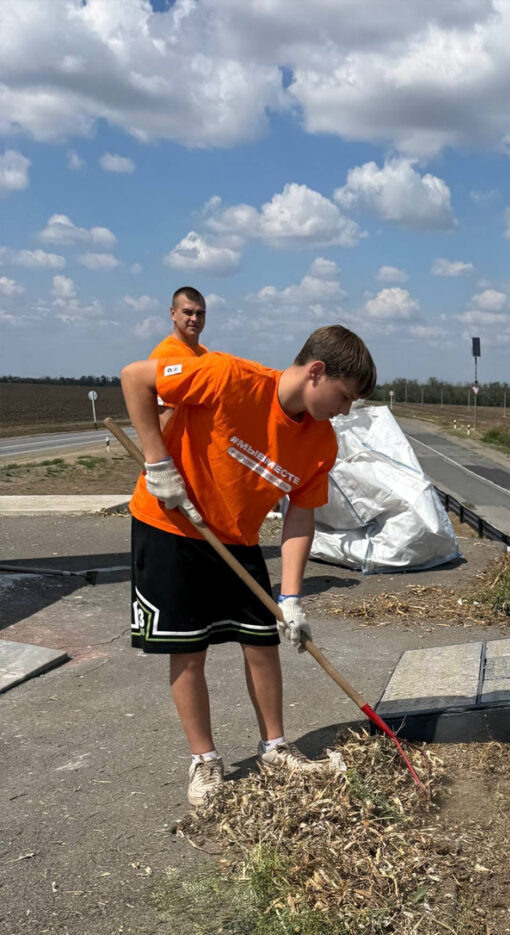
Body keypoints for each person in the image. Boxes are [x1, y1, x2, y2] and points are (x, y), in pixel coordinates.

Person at [120, 325, 376, 806]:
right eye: (344, 397)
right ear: (316, 372)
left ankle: (275, 748)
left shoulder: (320, 444)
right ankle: (205, 761)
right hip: (171, 523)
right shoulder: (227, 376)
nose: (345, 411)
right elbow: (136, 378)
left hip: (236, 535)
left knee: (262, 642)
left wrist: (293, 597)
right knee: (188, 648)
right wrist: (158, 463)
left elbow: (301, 515)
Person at [150, 286, 209, 430]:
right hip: (184, 447)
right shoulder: (167, 354)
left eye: (200, 313)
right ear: (173, 314)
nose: (194, 319)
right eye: (188, 313)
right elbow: (165, 416)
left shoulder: (203, 352)